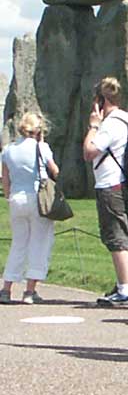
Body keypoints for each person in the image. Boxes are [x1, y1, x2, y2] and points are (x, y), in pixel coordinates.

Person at [83, 77, 128, 306]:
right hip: (120, 183)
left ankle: (125, 289)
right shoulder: (126, 120)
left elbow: (89, 151)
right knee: (118, 234)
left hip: (110, 184)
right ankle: (122, 283)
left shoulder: (112, 123)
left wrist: (94, 125)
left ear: (101, 101)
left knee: (116, 237)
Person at [0, 112, 59, 304]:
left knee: (18, 243)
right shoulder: (41, 147)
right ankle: (29, 291)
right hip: (37, 198)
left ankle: (6, 288)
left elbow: (5, 180)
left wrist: (9, 197)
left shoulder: (8, 150)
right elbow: (55, 171)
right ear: (38, 130)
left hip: (16, 198)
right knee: (39, 243)